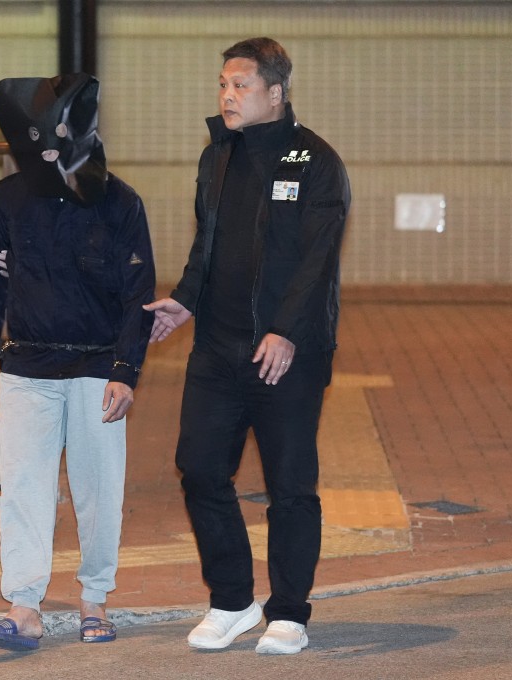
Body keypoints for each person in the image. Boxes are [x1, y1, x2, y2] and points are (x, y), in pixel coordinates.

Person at [144, 37, 350, 655]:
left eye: (241, 86)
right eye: (223, 85)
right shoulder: (218, 157)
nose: (228, 96)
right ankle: (233, 601)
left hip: (290, 350)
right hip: (217, 345)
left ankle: (289, 612)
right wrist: (184, 298)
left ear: (276, 93)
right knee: (201, 468)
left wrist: (286, 331)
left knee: (290, 484)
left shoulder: (316, 162)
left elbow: (318, 261)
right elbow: (206, 244)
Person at [0, 74, 156, 651]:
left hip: (98, 368)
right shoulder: (10, 198)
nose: (47, 157)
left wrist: (127, 369)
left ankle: (94, 599)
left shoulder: (121, 202)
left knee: (99, 491)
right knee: (26, 488)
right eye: (39, 148)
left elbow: (139, 295)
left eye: (56, 146)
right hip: (26, 364)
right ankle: (23, 607)